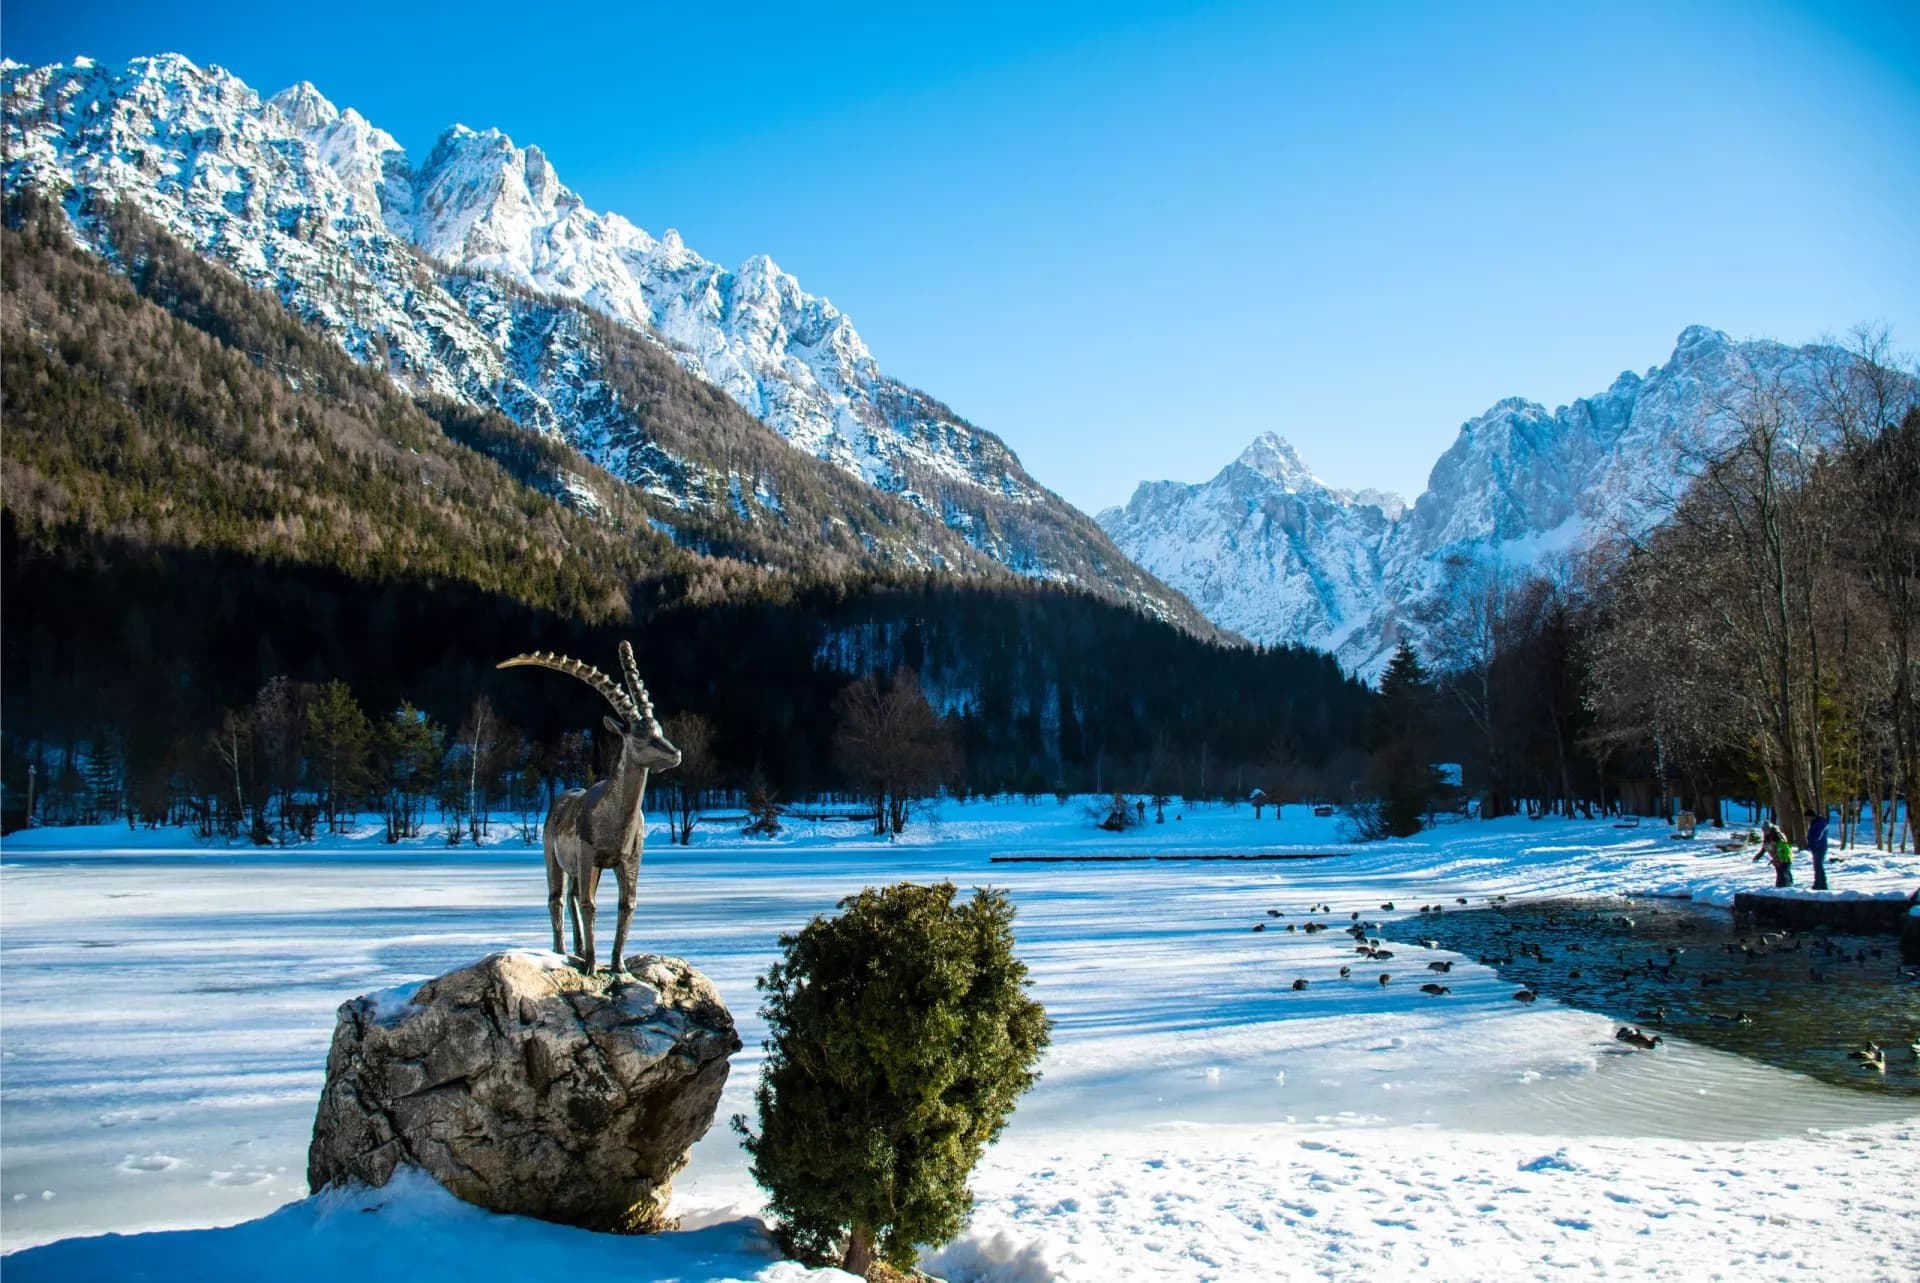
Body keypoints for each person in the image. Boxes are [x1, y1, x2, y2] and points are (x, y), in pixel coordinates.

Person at [1753, 820, 1794, 888]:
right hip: (1777, 859)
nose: (1765, 832)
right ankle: (1780, 889)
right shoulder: (1767, 837)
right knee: (1780, 876)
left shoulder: (1777, 835)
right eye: (1764, 831)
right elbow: (1764, 848)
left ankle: (1788, 889)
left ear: (1770, 829)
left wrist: (1778, 856)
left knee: (1785, 874)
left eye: (1766, 830)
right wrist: (1757, 857)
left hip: (1784, 858)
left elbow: (1784, 847)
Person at [1804, 808, 1831, 891]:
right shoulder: (1815, 822)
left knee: (1818, 866)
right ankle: (1822, 884)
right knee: (1818, 866)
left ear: (1811, 816)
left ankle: (1818, 884)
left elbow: (1818, 835)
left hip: (1820, 847)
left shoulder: (1820, 823)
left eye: (1808, 817)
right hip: (1816, 847)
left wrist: (1813, 841)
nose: (1807, 820)